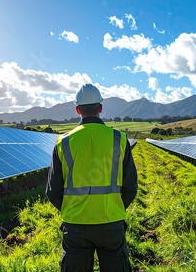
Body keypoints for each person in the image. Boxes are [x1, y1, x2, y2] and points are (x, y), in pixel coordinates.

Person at [46, 83, 138, 272]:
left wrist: (72, 210)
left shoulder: (63, 142)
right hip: (111, 222)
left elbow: (53, 191)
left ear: (78, 109)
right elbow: (130, 187)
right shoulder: (119, 139)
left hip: (76, 225)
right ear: (101, 108)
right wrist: (114, 207)